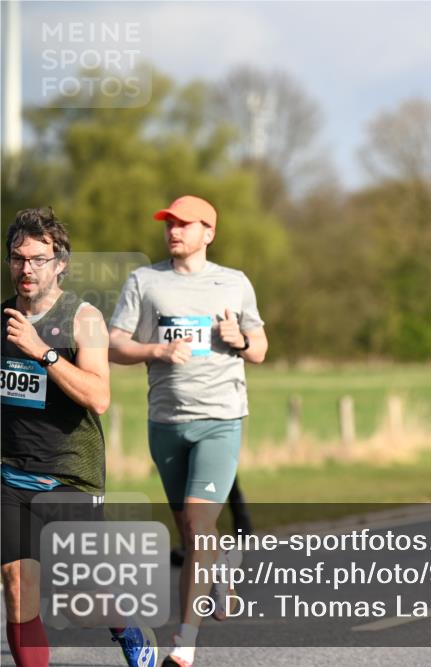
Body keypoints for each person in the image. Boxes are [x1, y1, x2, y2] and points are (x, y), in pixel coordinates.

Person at [108, 196, 268, 666]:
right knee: (190, 527)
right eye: (169, 224)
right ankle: (219, 572)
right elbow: (115, 343)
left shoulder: (234, 282)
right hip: (166, 423)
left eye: (184, 224)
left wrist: (240, 339)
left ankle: (184, 641)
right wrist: (156, 351)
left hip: (220, 420)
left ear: (208, 232)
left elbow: (260, 346)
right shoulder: (145, 281)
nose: (173, 231)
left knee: (198, 526)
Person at [1, 208, 157, 667]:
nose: (27, 268)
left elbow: (99, 397)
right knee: (17, 588)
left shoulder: (82, 318)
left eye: (39, 259)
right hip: (11, 476)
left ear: (61, 264)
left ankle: (128, 628)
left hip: (70, 476)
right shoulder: (3, 318)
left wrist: (42, 352)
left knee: (82, 601)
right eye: (18, 258)